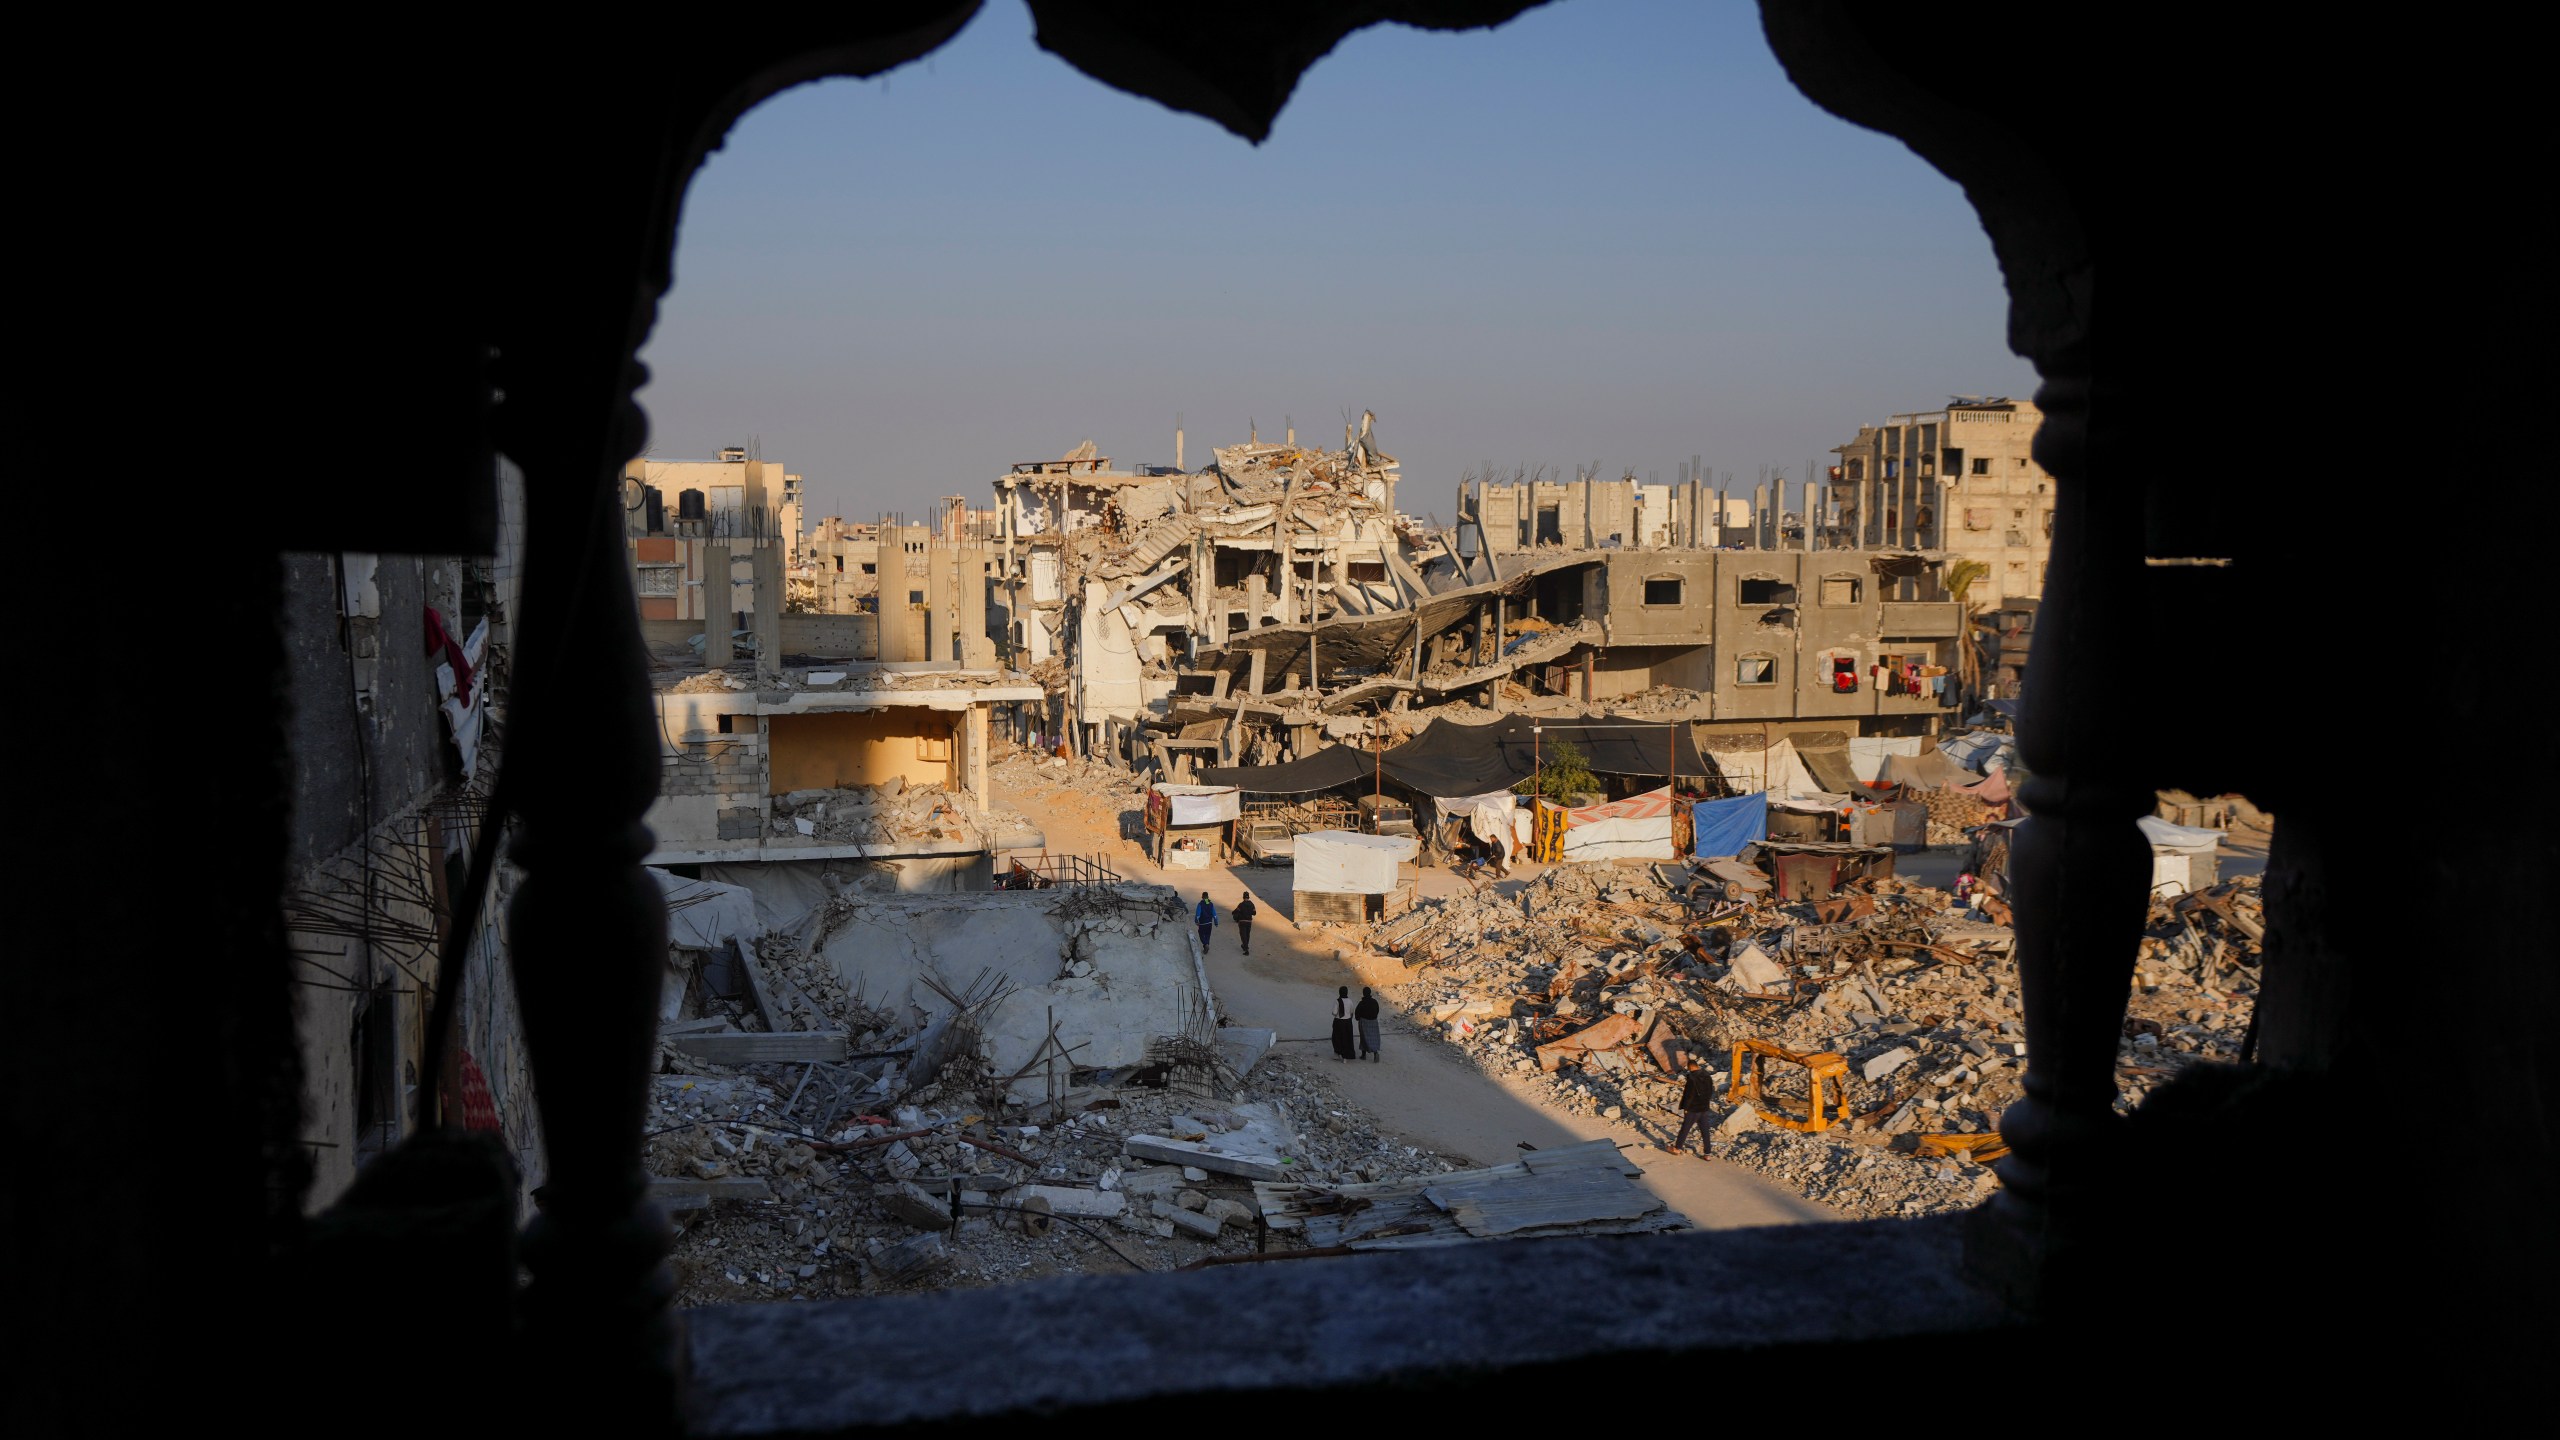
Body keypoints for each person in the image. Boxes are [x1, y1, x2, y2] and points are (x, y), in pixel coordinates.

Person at [1663, 1048, 1722, 1155]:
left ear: (1690, 1068)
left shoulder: (1692, 1078)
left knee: (1685, 1129)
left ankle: (1677, 1148)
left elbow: (1688, 1094)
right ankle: (1707, 1153)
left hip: (1693, 1109)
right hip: (1704, 1108)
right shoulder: (1707, 1076)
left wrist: (1685, 1108)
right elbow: (1710, 1091)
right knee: (1705, 1131)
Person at [1330, 986, 1357, 1061]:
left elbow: (1334, 1012)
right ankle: (1346, 1056)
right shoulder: (1350, 1001)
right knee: (1347, 1038)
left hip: (1338, 1022)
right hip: (1347, 1022)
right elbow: (1352, 1012)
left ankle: (1337, 1053)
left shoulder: (1337, 1001)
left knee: (1337, 1038)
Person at [1355, 986, 1382, 1061]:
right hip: (1373, 1022)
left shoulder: (1362, 1003)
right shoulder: (1374, 1002)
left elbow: (1357, 1013)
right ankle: (1375, 1052)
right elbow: (1377, 1011)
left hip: (1364, 1022)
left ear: (1363, 994)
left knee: (1363, 1038)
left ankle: (1363, 1055)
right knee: (1373, 1038)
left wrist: (1358, 1018)